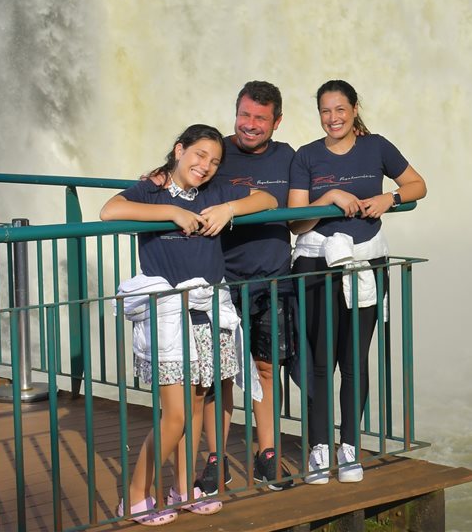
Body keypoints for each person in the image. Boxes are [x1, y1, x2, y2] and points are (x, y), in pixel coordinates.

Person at [102, 124, 276, 526]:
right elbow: (110, 210)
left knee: (197, 405)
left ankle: (183, 488)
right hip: (167, 315)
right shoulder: (152, 190)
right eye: (199, 155)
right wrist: (171, 212)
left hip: (207, 311)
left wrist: (229, 209)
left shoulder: (215, 192)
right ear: (179, 150)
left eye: (214, 161)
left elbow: (266, 198)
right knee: (176, 415)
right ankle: (135, 496)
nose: (205, 166)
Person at [288, 80, 425, 484]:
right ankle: (318, 448)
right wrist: (328, 195)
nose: (333, 118)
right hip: (316, 264)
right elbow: (295, 221)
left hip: (366, 262)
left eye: (340, 110)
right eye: (326, 111)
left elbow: (418, 184)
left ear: (354, 109)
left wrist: (390, 199)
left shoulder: (377, 146)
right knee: (318, 362)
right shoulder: (306, 156)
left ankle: (349, 448)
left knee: (353, 360)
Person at [196, 81, 297, 494]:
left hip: (272, 278)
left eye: (260, 118)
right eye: (244, 114)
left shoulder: (289, 156)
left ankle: (266, 454)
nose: (250, 125)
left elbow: (290, 199)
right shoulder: (215, 152)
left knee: (266, 369)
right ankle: (215, 461)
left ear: (276, 121)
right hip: (220, 279)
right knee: (217, 374)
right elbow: (180, 175)